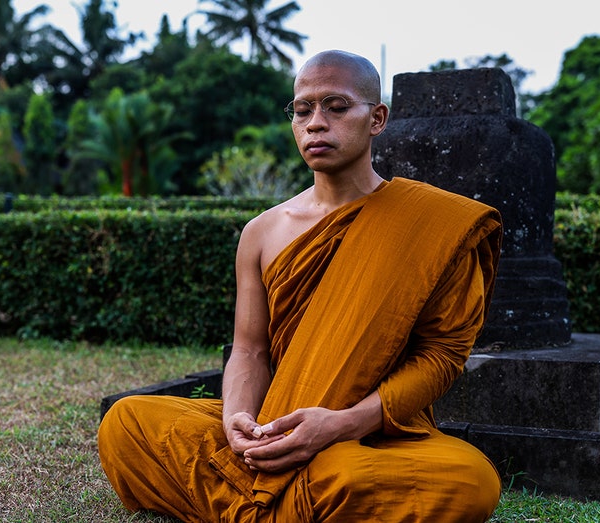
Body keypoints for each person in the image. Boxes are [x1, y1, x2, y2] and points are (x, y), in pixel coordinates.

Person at [98, 49, 503, 522]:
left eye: (336, 106)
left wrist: (340, 424)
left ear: (376, 118)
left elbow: (441, 356)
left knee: (471, 481)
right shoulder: (263, 232)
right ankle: (286, 495)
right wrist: (237, 424)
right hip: (276, 423)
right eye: (303, 109)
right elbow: (249, 351)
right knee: (126, 422)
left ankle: (251, 498)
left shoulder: (431, 222)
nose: (315, 123)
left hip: (369, 435)